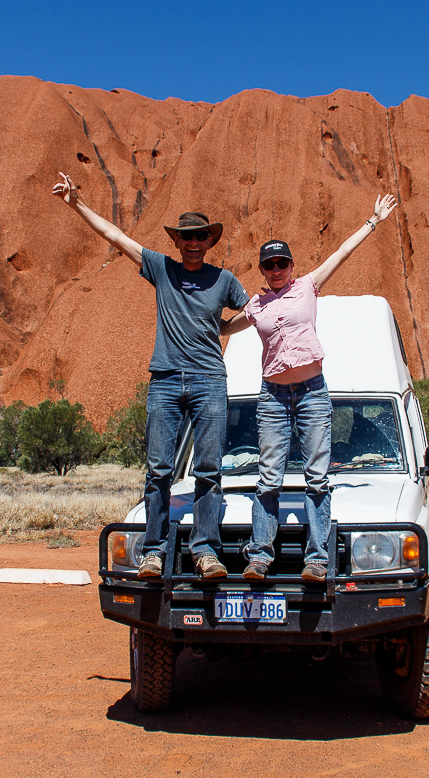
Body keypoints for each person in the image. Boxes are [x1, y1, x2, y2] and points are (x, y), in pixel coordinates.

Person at [52, 173, 249, 579]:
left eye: (200, 237)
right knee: (159, 469)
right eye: (186, 237)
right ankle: (154, 551)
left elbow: (254, 310)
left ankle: (206, 552)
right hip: (165, 380)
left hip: (210, 379)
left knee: (209, 469)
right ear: (176, 241)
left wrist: (227, 328)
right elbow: (117, 236)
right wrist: (76, 204)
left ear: (210, 241)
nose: (193, 243)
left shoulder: (224, 279)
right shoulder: (161, 268)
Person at [222, 193, 398, 581]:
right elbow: (224, 326)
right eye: (269, 265)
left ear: (291, 265)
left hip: (312, 393)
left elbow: (342, 253)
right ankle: (260, 558)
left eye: (282, 263)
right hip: (271, 397)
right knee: (268, 479)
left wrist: (373, 222)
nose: (276, 269)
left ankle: (317, 559)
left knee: (317, 478)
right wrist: (193, 310)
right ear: (263, 270)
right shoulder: (256, 306)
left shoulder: (307, 285)